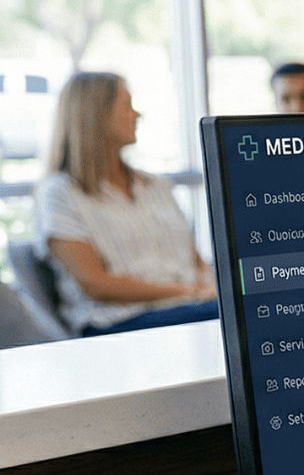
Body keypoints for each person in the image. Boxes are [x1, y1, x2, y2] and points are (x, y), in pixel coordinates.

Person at [33, 73, 216, 335]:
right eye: (127, 106)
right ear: (96, 115)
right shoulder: (59, 193)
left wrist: (213, 288)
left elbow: (194, 261)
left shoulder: (155, 186)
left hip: (189, 307)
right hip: (118, 321)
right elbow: (96, 285)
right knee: (235, 316)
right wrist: (188, 292)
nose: (136, 115)